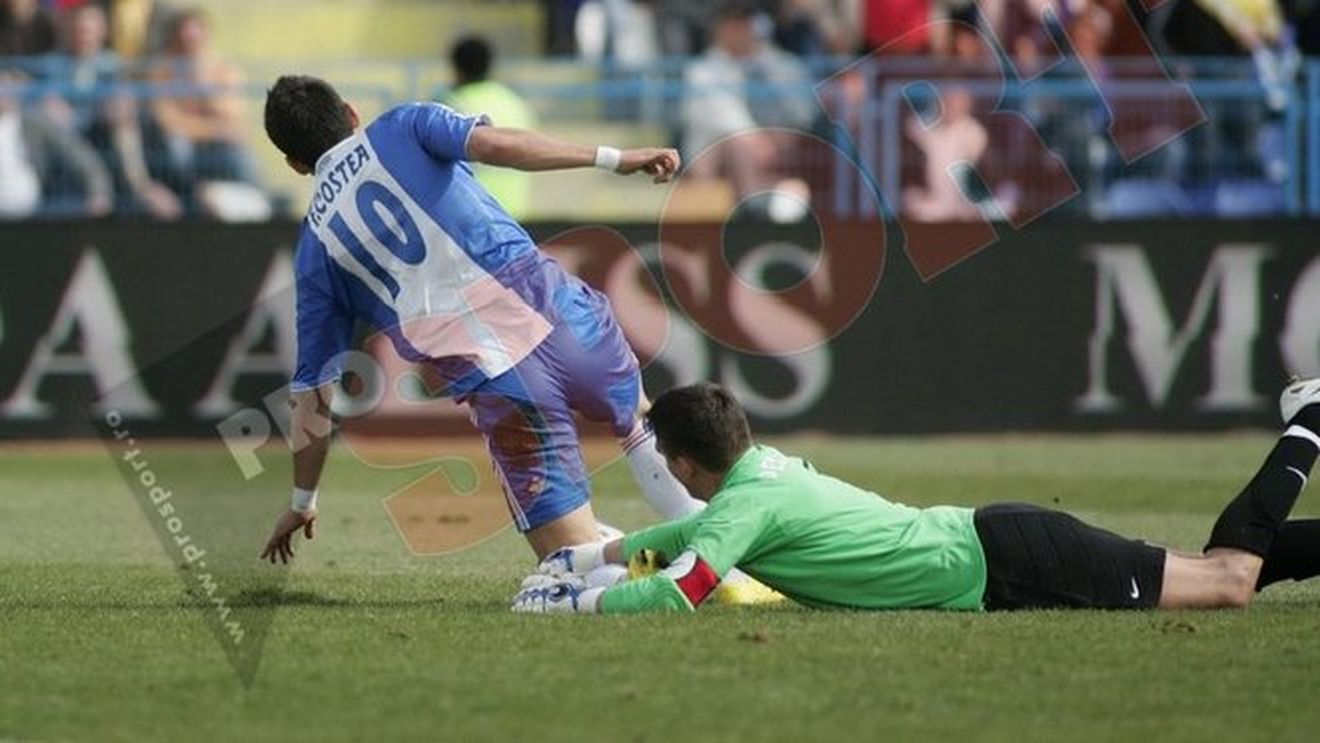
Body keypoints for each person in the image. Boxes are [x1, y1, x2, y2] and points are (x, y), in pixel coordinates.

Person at [256, 76, 777, 605]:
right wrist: (614, 159)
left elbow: (312, 396)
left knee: (569, 562)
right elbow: (499, 145)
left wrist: (303, 499)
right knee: (642, 422)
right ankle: (721, 559)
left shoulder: (314, 250)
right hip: (554, 309)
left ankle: (671, 574)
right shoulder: (402, 124)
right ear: (350, 112)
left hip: (495, 374)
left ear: (296, 164)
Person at [511, 378, 1320, 614]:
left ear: (684, 466)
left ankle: (1309, 418)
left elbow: (683, 590)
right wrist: (586, 556)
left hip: (1009, 563)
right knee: (1211, 564)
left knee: (1227, 581)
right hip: (1001, 544)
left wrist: (576, 606)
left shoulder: (744, 507)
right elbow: (679, 548)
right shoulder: (761, 472)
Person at [443, 35, 536, 219]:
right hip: (516, 217)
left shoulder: (452, 106)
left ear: (456, 68)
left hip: (472, 218)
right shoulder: (515, 102)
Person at [0, 68, 112, 218]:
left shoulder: (34, 123)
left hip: (28, 213)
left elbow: (79, 154)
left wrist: (99, 192)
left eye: (6, 86)